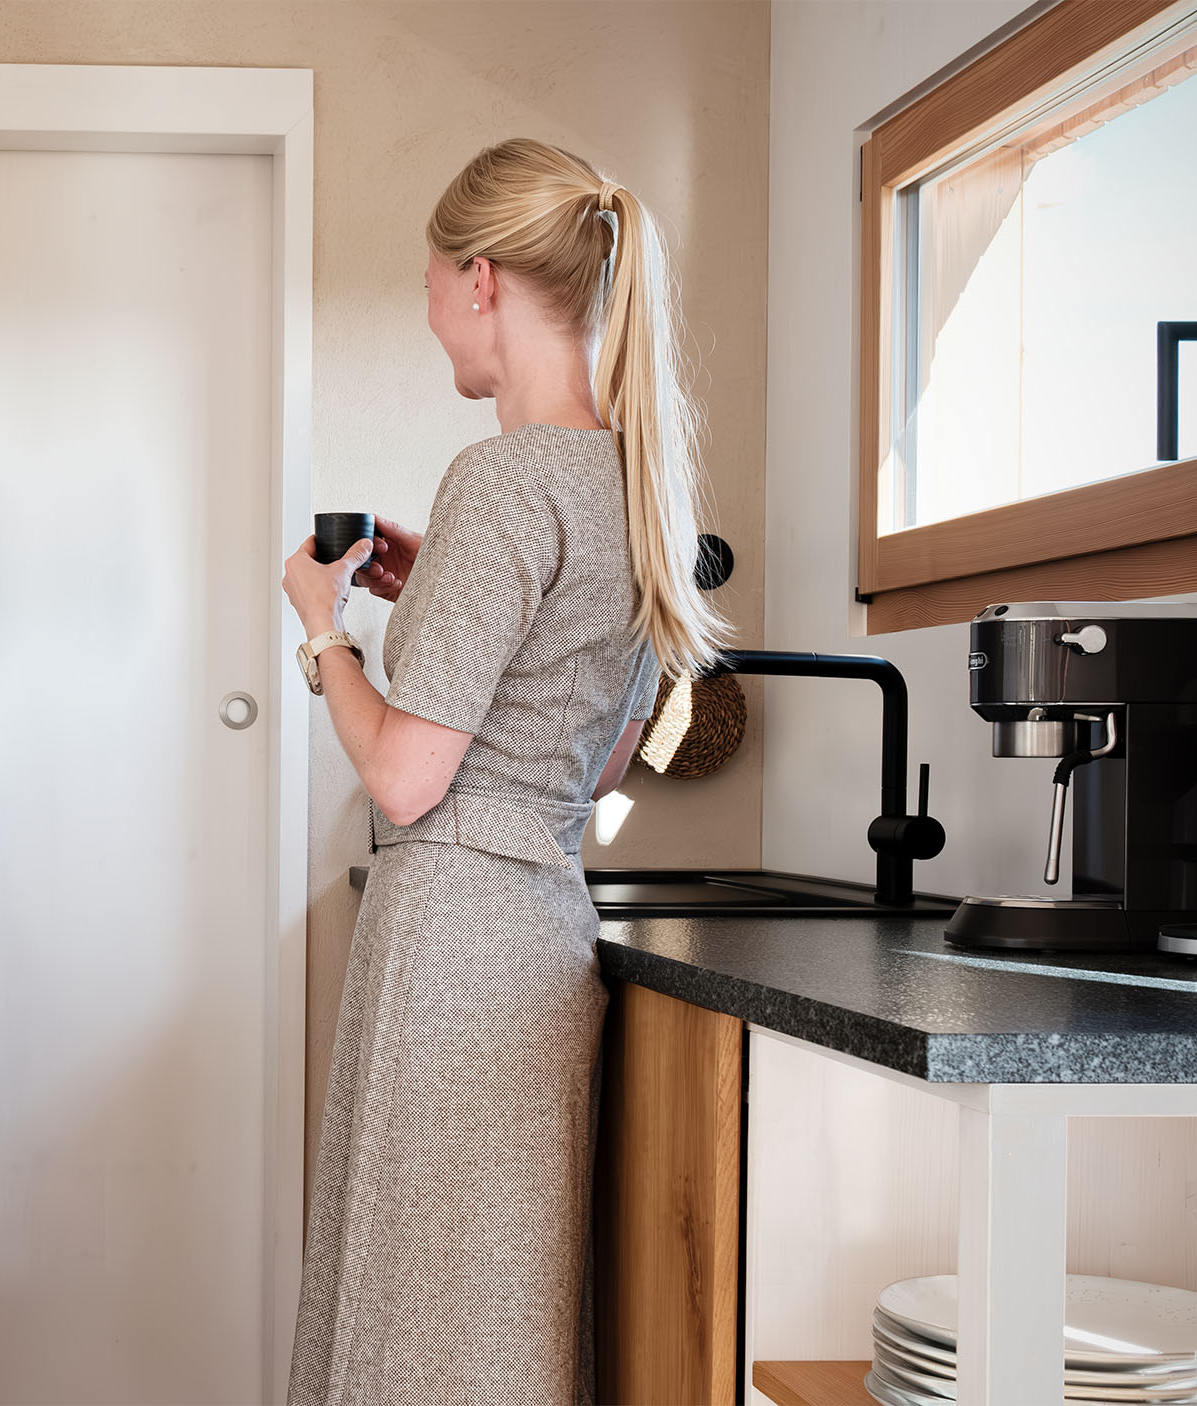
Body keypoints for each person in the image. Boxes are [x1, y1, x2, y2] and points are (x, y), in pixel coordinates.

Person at [281, 139, 726, 1403]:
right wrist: (436, 590)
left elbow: (406, 780)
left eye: (429, 284)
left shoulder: (503, 479)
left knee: (414, 1305)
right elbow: (576, 758)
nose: (431, 317)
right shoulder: (635, 487)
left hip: (452, 931)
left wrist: (324, 631)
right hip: (540, 922)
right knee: (493, 1308)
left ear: (480, 279)